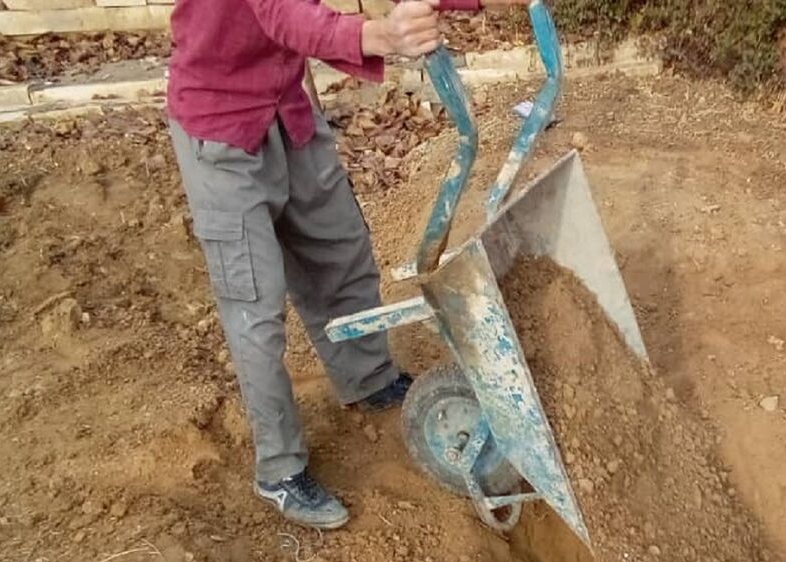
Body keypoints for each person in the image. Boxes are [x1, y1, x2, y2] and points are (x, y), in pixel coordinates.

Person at [167, 0, 528, 530]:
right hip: (220, 131)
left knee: (342, 251)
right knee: (255, 310)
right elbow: (284, 13)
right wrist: (381, 35)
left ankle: (367, 378)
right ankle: (280, 471)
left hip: (286, 108)